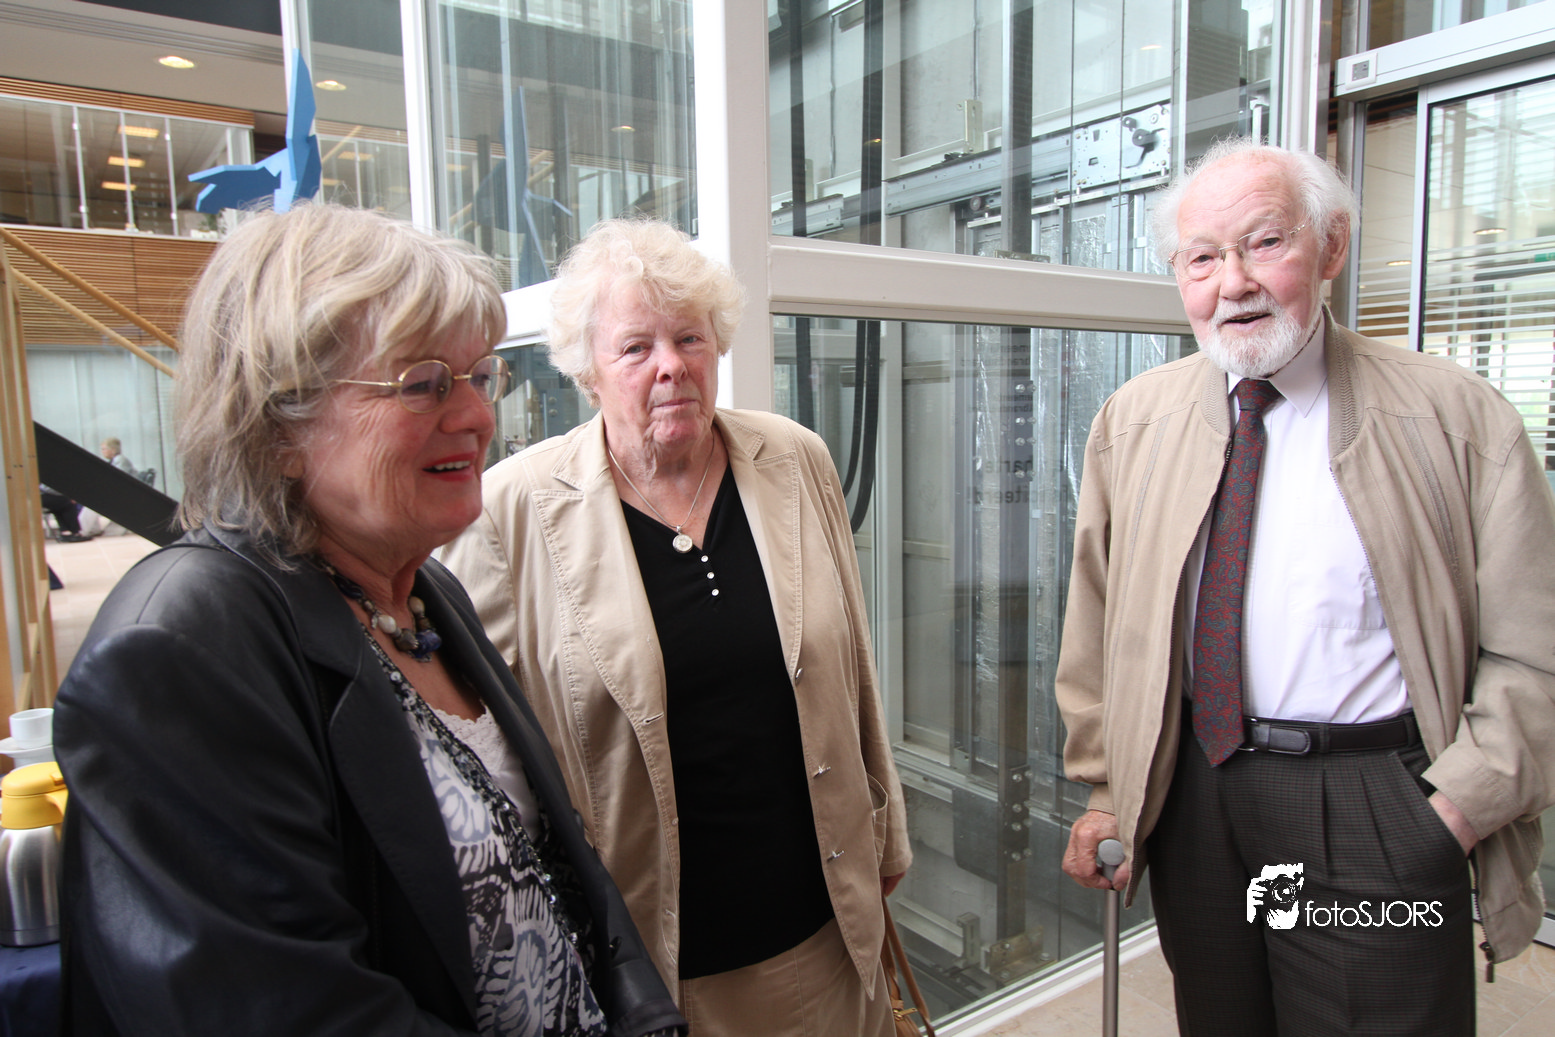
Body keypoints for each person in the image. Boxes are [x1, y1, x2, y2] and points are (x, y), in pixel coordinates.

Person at [53, 204, 686, 1037]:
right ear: (279, 425)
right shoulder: (178, 648)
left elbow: (564, 873)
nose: (476, 415)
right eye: (423, 382)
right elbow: (291, 1012)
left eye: (478, 375)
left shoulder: (419, 592)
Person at [1055, 137, 1555, 1037]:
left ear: (1330, 246)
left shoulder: (1454, 417)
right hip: (1194, 799)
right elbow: (1095, 625)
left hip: (1373, 801)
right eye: (1201, 258)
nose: (1233, 283)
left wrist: (1451, 810)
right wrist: (1105, 788)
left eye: (1264, 243)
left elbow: (1534, 650)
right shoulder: (1132, 423)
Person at [440, 218, 912, 1037]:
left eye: (689, 337)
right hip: (654, 967)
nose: (671, 365)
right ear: (587, 370)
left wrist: (885, 836)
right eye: (635, 347)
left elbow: (853, 666)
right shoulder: (511, 510)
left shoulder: (793, 458)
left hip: (829, 933)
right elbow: (481, 753)